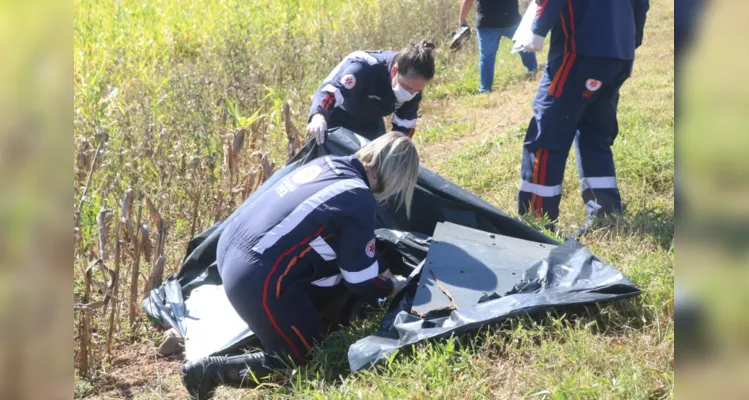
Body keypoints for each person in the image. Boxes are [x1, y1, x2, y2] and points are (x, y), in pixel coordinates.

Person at [181, 132, 418, 399]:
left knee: (306, 321)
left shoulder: (331, 162)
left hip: (230, 251)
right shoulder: (359, 198)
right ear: (396, 177)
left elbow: (333, 241)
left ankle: (277, 329)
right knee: (303, 356)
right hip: (257, 274)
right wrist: (391, 287)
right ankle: (208, 373)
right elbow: (360, 280)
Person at [514, 0, 650, 230]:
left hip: (579, 51)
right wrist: (631, 38)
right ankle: (606, 216)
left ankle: (536, 221)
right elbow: (641, 4)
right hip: (619, 55)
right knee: (594, 133)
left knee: (546, 134)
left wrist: (537, 30)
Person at [306, 42, 436, 144]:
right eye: (406, 87)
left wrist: (397, 149)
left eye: (416, 91)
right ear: (394, 70)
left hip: (371, 125)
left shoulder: (414, 85)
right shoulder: (362, 68)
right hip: (336, 120)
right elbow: (331, 92)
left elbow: (404, 127)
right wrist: (318, 117)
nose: (410, 94)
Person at [458, 0, 538, 92]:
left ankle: (485, 89)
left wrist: (462, 19)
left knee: (487, 57)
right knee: (524, 45)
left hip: (487, 23)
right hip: (511, 19)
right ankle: (533, 72)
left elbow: (468, 1)